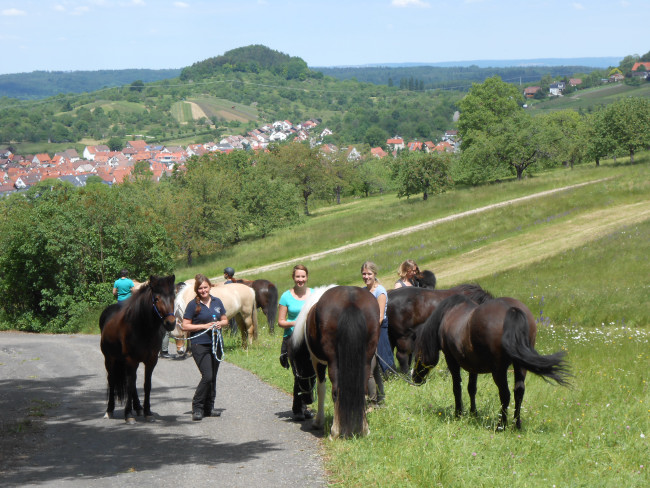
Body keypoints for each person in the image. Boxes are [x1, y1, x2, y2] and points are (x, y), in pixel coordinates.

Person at [182, 274, 228, 421]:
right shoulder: (192, 305)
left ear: (210, 287)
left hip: (216, 343)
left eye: (205, 287)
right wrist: (204, 326)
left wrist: (221, 323)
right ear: (197, 290)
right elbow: (185, 326)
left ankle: (209, 407)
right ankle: (197, 407)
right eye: (200, 288)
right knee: (207, 376)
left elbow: (225, 319)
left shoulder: (217, 301)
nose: (203, 290)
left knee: (213, 377)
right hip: (199, 344)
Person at [278, 264, 314, 421]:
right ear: (293, 277)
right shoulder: (286, 296)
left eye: (303, 276)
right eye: (298, 276)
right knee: (299, 374)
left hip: (310, 339)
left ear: (307, 277)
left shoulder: (314, 294)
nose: (300, 279)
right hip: (292, 339)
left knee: (312, 373)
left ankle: (305, 406)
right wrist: (297, 323)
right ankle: (298, 409)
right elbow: (281, 321)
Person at [361, 261, 394, 407]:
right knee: (372, 368)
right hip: (366, 331)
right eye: (364, 274)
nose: (366, 276)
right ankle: (379, 398)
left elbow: (380, 317)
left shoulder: (379, 291)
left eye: (369, 274)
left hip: (377, 330)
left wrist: (368, 332)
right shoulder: (363, 291)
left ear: (375, 274)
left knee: (373, 366)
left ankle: (374, 401)